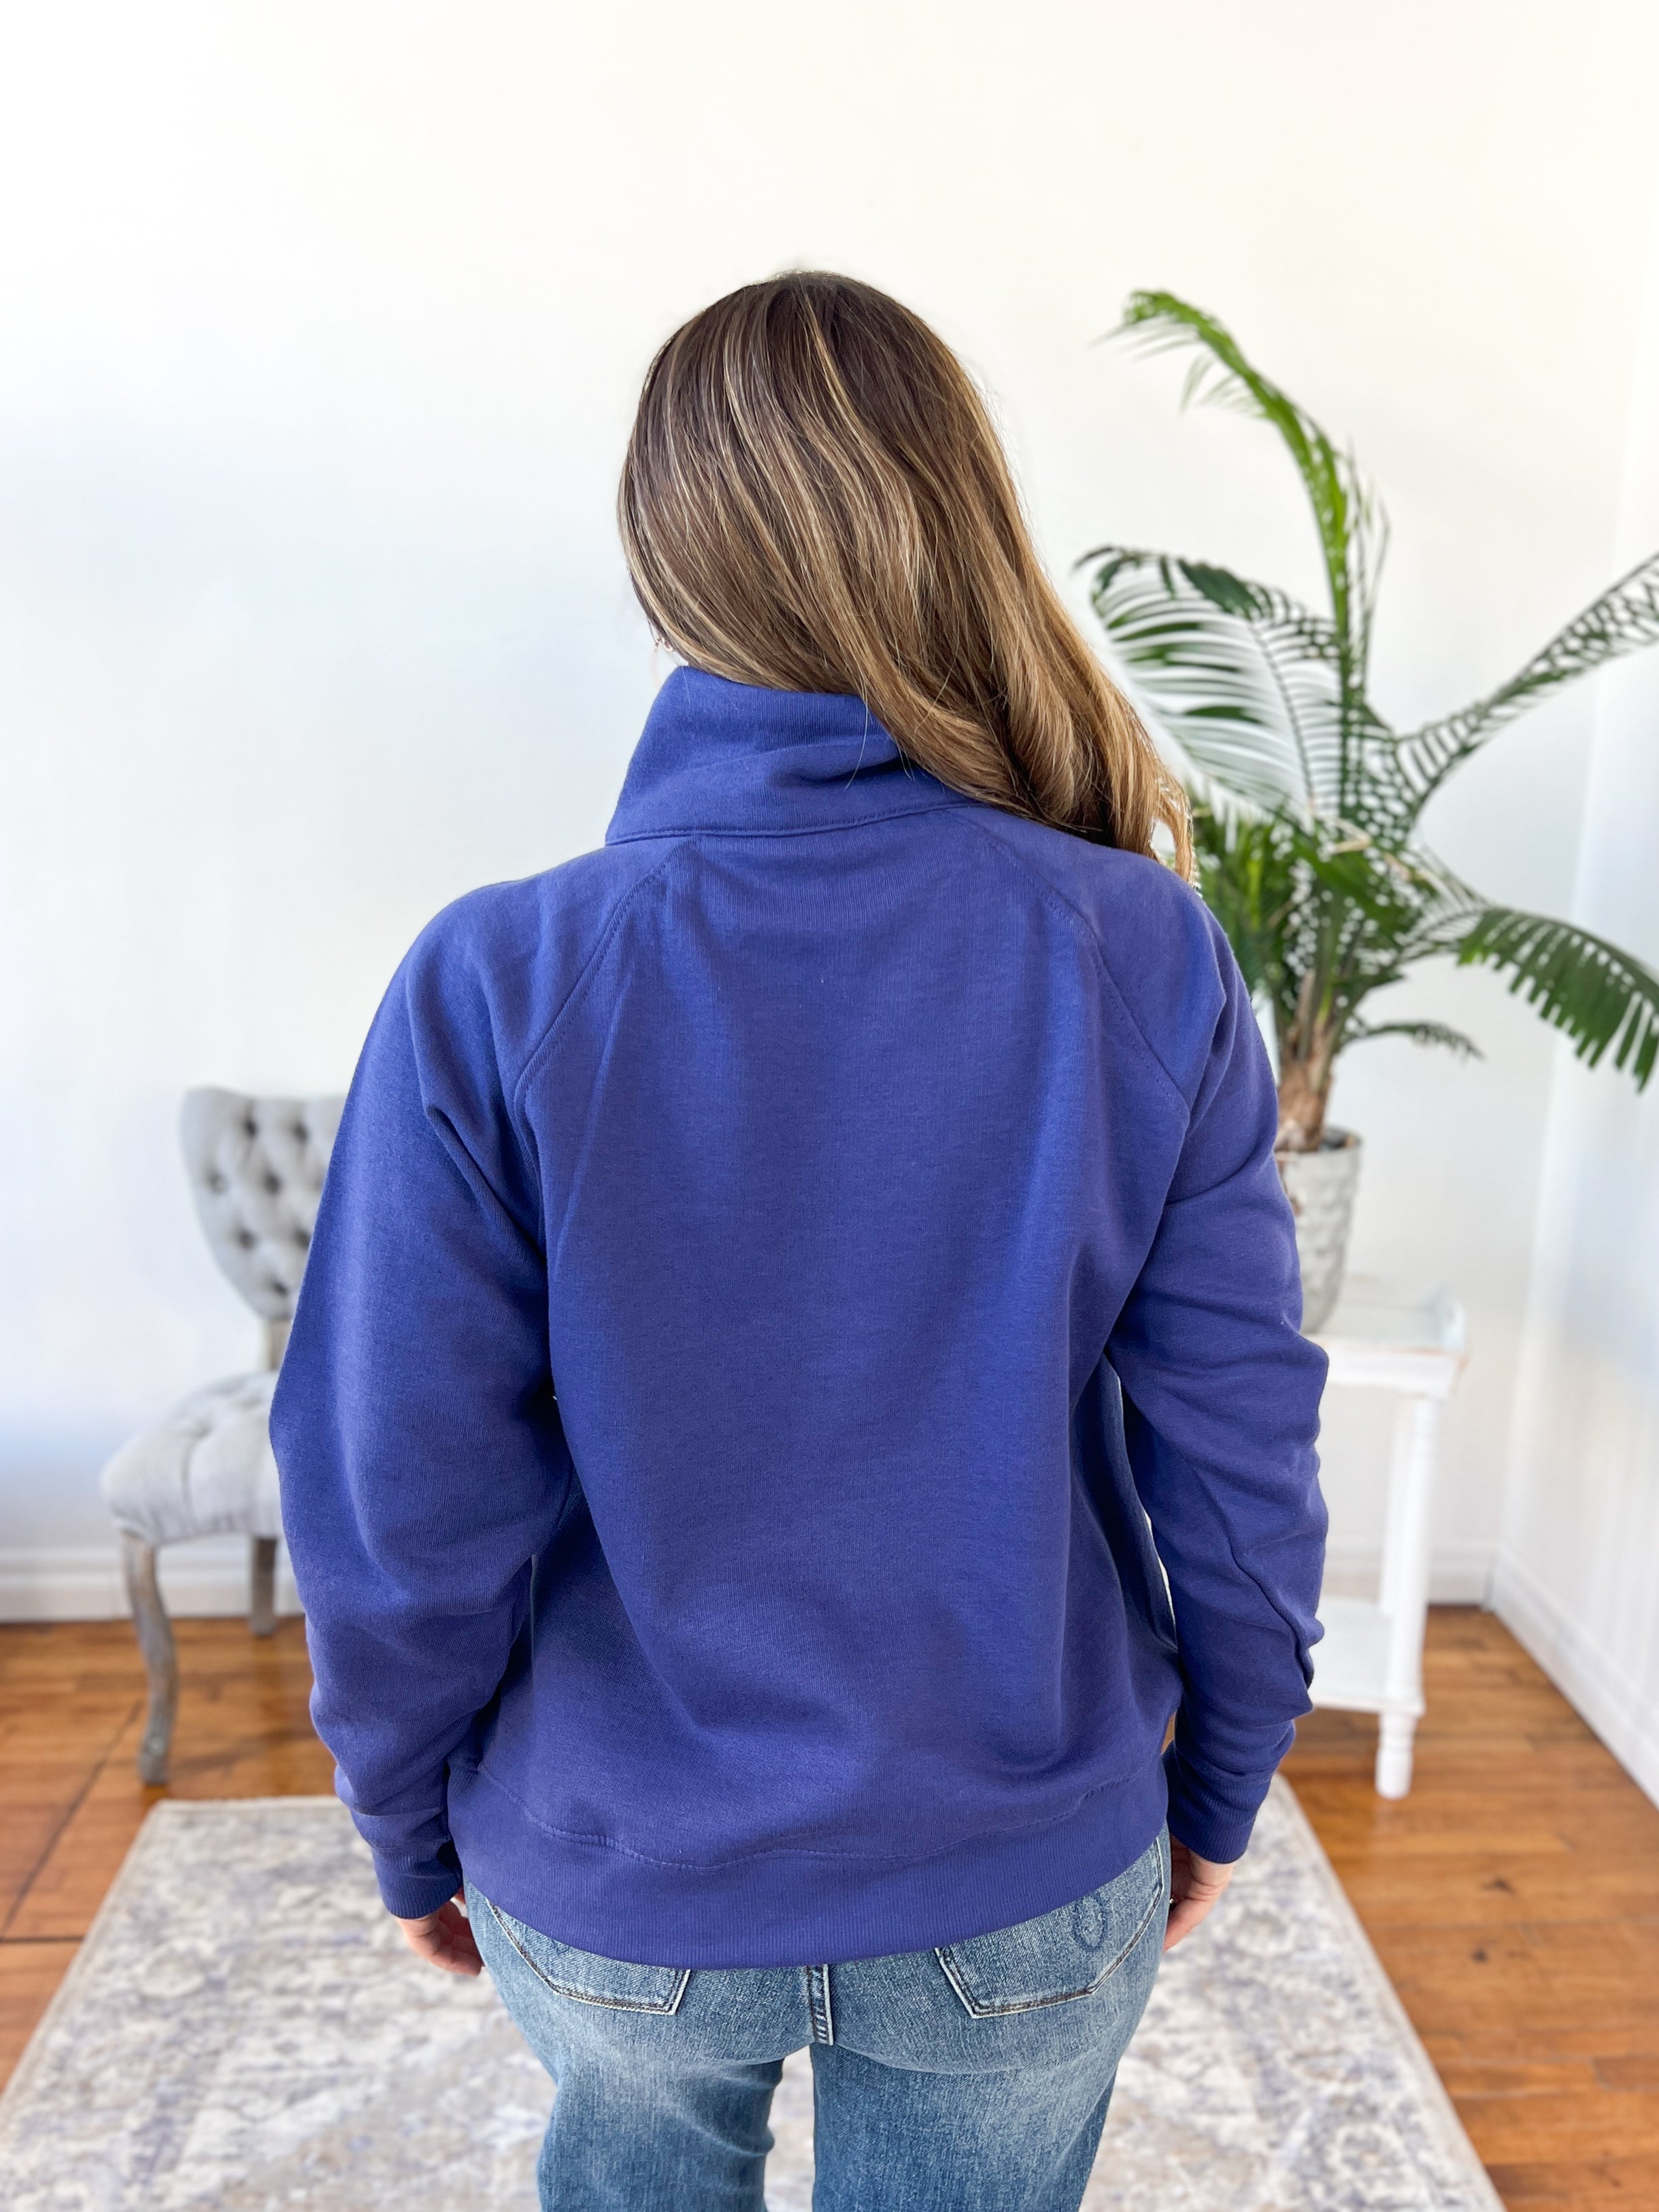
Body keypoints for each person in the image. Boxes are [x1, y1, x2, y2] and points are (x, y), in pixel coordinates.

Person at [273, 271, 1328, 2212]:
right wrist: (1223, 1776)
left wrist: (405, 1821)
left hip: (621, 1879)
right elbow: (1245, 1447)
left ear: (664, 566)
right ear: (961, 519)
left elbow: (394, 1494)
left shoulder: (497, 977)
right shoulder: (1142, 948)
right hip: (1022, 1872)